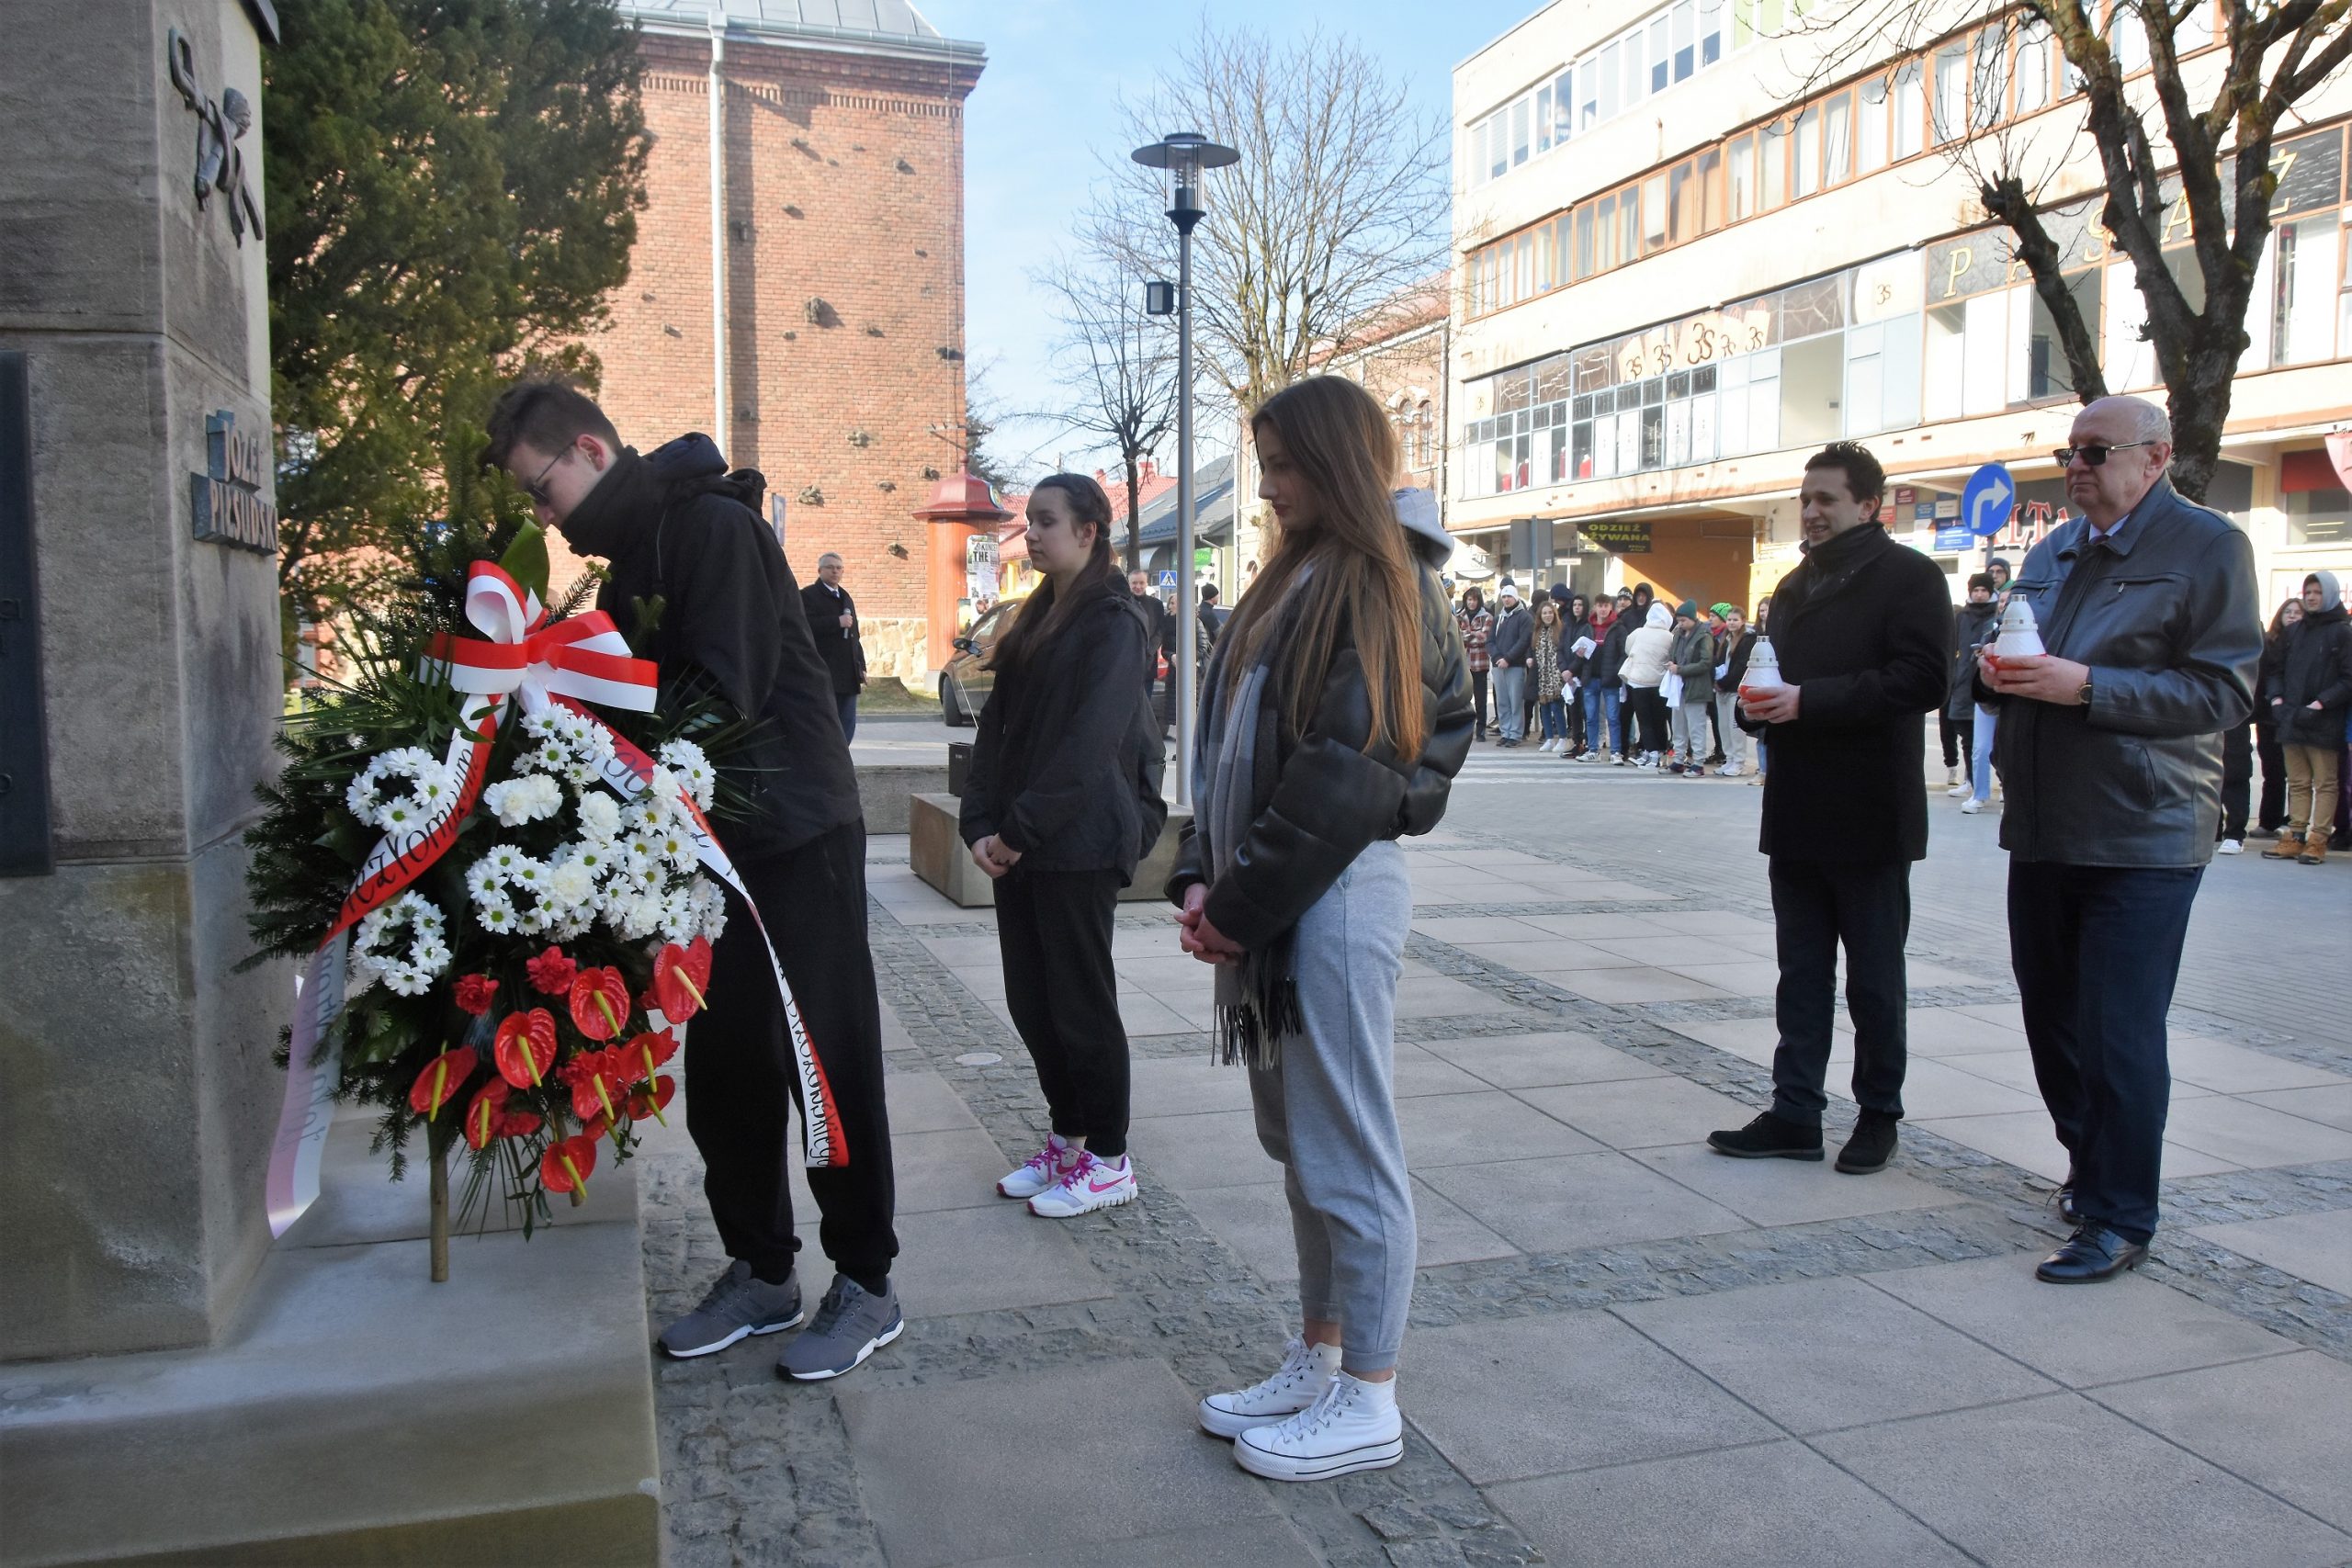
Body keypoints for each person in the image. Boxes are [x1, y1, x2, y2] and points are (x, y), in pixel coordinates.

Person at [485, 379, 901, 1379]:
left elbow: (719, 691)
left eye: (543, 491)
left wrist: (583, 702)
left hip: (792, 835)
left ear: (589, 448)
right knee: (725, 1071)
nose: (544, 518)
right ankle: (762, 1270)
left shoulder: (712, 530)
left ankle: (866, 1280)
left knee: (824, 1059)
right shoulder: (633, 553)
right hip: (704, 848)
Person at [1176, 376, 1470, 1483]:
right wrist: (1205, 878)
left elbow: (1349, 773)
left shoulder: (1380, 582)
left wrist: (1236, 906)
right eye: (1263, 461)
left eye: (1285, 463)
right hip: (1277, 896)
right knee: (1300, 1145)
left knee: (1348, 1149)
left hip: (1329, 898)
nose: (1267, 482)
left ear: (1336, 461)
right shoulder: (1299, 577)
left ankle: (1372, 1395)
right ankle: (1321, 1351)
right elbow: (1229, 755)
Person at [1976, 395, 2259, 1283]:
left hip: (2146, 829)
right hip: (2046, 822)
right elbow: (2010, 649)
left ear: (2156, 456)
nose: (2077, 466)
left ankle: (2119, 1212)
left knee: (2119, 1029)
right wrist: (1987, 676)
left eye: (2096, 451)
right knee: (2050, 1013)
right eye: (2069, 452)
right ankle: (2088, 1160)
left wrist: (2086, 687)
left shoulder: (2208, 546)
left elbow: (2223, 692)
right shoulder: (2055, 549)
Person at [1711, 441, 1950, 1176]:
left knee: (1875, 977)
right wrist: (1757, 706)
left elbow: (1922, 678)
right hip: (1798, 807)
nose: (1810, 511)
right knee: (1800, 971)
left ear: (1869, 505)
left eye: (1826, 499)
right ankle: (1795, 1109)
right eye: (1805, 498)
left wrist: (1808, 702)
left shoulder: (1909, 577)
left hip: (1872, 809)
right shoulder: (1792, 585)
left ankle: (1878, 1112)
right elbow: (1769, 673)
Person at [962, 477, 1167, 1217]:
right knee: (1033, 1001)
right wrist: (979, 821)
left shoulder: (1115, 620)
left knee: (1080, 1004)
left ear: (1089, 531)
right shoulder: (1036, 615)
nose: (1033, 533)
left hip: (1075, 842)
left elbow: (1090, 745)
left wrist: (1018, 832)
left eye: (1046, 521)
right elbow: (997, 728)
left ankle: (1110, 1157)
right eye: (1030, 521)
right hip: (1022, 841)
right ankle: (1068, 1139)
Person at [2259, 571, 2352, 865]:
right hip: (2290, 717)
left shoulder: (2342, 631)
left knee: (2325, 782)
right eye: (2307, 592)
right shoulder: (2294, 631)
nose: (2311, 597)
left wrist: (2321, 703)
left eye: (2317, 592)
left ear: (2330, 594)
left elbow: (2349, 678)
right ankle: (2295, 836)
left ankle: (2318, 840)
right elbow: (2275, 669)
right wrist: (2276, 699)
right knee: (2297, 781)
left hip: (2324, 719)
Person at [2250, 598, 2303, 840]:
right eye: (2288, 612)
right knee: (2273, 772)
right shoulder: (2269, 643)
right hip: (2270, 717)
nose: (2292, 616)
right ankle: (2269, 822)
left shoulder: (2307, 643)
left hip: (2298, 716)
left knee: (2297, 774)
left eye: (2297, 612)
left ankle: (2297, 823)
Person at [801, 552, 867, 740]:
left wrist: (861, 666)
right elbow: (804, 627)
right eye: (830, 567)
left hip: (848, 673)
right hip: (824, 671)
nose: (835, 572)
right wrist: (835, 622)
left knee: (847, 722)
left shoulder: (846, 597)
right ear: (820, 570)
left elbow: (855, 636)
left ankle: (842, 759)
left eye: (839, 568)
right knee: (825, 721)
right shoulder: (808, 596)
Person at [1943, 574, 1996, 799]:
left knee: (1993, 743)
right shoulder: (1961, 617)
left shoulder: (1996, 615)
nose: (1979, 594)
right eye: (1976, 590)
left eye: (1984, 590)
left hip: (1988, 682)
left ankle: (1999, 783)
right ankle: (1970, 781)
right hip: (1962, 683)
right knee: (1967, 737)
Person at [1619, 601, 1674, 769]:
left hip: (1638, 682)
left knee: (1644, 720)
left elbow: (1628, 648)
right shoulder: (1669, 636)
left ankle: (1651, 753)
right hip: (1659, 683)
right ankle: (1660, 751)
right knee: (1659, 719)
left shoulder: (1638, 632)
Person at [1667, 600, 1716, 775]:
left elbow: (1705, 663)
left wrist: (1680, 669)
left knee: (1696, 726)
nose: (1680, 624)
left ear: (1693, 619)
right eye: (1679, 620)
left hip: (1697, 688)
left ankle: (1698, 762)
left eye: (1683, 621)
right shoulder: (1678, 634)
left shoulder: (1704, 635)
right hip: (1679, 688)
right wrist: (1672, 663)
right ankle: (1679, 759)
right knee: (1678, 725)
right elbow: (1674, 653)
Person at [1574, 594, 1622, 761]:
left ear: (1610, 608)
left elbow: (1623, 653)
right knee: (1591, 716)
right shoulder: (1588, 627)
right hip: (1590, 677)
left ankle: (1616, 752)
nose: (1602, 609)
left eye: (1606, 606)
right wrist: (1579, 655)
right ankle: (1593, 750)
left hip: (1610, 680)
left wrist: (1616, 671)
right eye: (1599, 606)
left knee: (1613, 717)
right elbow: (1580, 651)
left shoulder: (1617, 627)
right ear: (1595, 607)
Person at [1487, 582, 1533, 747]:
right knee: (1502, 701)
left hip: (1515, 666)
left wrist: (1508, 658)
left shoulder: (1524, 617)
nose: (1506, 599)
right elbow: (1490, 640)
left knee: (1515, 701)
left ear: (1516, 598)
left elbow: (1524, 641)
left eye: (1509, 596)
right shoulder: (1499, 617)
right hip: (1499, 665)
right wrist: (1498, 657)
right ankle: (1505, 731)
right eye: (1504, 597)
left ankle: (1515, 733)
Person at [1713, 604, 1757, 777]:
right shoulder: (1725, 639)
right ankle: (1729, 759)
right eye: (1729, 620)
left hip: (1734, 690)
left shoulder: (1747, 639)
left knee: (1735, 728)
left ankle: (1738, 762)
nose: (1731, 623)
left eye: (1735, 620)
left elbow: (1741, 666)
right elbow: (1719, 662)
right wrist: (1716, 681)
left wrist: (1724, 682)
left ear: (1743, 621)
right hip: (1721, 689)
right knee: (1723, 727)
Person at [1455, 586, 1493, 742]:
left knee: (1480, 698)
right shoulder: (1459, 616)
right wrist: (1473, 633)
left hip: (1480, 663)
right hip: (1463, 663)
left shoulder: (1487, 616)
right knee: (1463, 698)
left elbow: (1484, 638)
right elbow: (1457, 636)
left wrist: (1467, 635)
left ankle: (1481, 728)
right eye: (1469, 599)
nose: (1471, 603)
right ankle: (1464, 729)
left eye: (1474, 599)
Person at [1532, 596, 1568, 750]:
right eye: (1544, 613)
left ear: (1554, 614)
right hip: (1542, 675)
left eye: (1550, 612)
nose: (1547, 615)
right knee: (1544, 708)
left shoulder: (1560, 630)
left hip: (1556, 675)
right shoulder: (1537, 632)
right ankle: (1548, 739)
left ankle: (1563, 738)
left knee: (1556, 707)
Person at [1129, 568, 1170, 702]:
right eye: (1134, 583)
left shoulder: (1156, 604)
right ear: (1129, 584)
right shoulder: (1122, 602)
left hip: (1148, 662)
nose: (1138, 586)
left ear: (1147, 584)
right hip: (1127, 661)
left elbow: (1160, 630)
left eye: (1141, 583)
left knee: (1146, 704)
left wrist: (1150, 650)